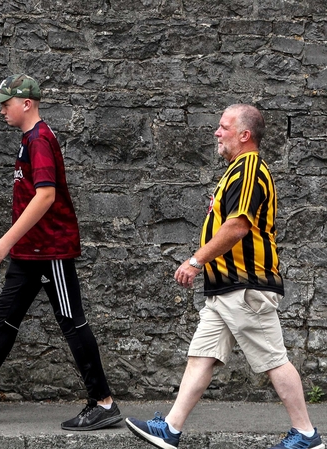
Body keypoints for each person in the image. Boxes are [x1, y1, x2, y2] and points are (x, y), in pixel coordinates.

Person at [126, 104, 323, 449]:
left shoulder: (249, 169)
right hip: (225, 289)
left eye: (223, 127)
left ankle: (306, 434)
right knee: (202, 355)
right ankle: (170, 429)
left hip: (246, 286)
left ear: (244, 135)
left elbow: (238, 226)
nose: (216, 133)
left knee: (274, 359)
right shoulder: (237, 170)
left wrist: (195, 261)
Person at [0, 74, 121, 429]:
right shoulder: (28, 139)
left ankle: (103, 402)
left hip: (51, 249)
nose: (2, 110)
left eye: (6, 103)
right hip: (30, 251)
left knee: (72, 322)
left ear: (27, 104)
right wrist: (15, 243)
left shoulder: (40, 140)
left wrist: (5, 241)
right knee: (4, 319)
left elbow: (46, 196)